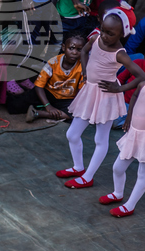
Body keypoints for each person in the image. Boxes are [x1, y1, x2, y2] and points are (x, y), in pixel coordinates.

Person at [59, 6, 144, 189]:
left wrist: (119, 88)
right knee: (72, 134)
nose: (104, 35)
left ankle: (87, 176)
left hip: (106, 98)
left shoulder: (120, 54)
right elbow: (84, 51)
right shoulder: (96, 38)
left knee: (100, 139)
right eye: (104, 30)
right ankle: (78, 166)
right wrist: (84, 71)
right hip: (89, 93)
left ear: (122, 34)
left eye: (110, 33)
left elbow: (141, 76)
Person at [22, 35, 86, 122]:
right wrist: (48, 105)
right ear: (63, 47)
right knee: (18, 105)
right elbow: (39, 86)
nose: (74, 52)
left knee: (79, 114)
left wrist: (77, 105)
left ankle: (38, 113)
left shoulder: (82, 66)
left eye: (79, 50)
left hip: (67, 99)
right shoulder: (53, 62)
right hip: (49, 93)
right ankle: (47, 108)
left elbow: (81, 91)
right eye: (71, 48)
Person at [106, 83, 145, 216]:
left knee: (143, 174)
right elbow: (135, 96)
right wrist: (129, 115)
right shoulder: (143, 84)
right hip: (135, 134)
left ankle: (130, 206)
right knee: (118, 167)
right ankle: (118, 193)